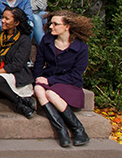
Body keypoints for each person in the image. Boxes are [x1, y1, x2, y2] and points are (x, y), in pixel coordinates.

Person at [34, 10, 93, 147]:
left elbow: (75, 75)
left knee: (50, 93)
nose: (50, 26)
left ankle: (78, 129)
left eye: (55, 24)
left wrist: (49, 81)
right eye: (51, 23)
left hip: (70, 84)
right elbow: (38, 63)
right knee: (38, 88)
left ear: (67, 27)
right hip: (49, 80)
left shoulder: (81, 48)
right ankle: (62, 131)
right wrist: (37, 78)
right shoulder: (47, 40)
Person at [0, 7, 36, 119]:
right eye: (2, 17)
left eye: (7, 18)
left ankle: (19, 105)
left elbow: (18, 64)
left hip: (15, 73)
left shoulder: (24, 40)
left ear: (16, 22)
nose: (2, 20)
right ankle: (21, 101)